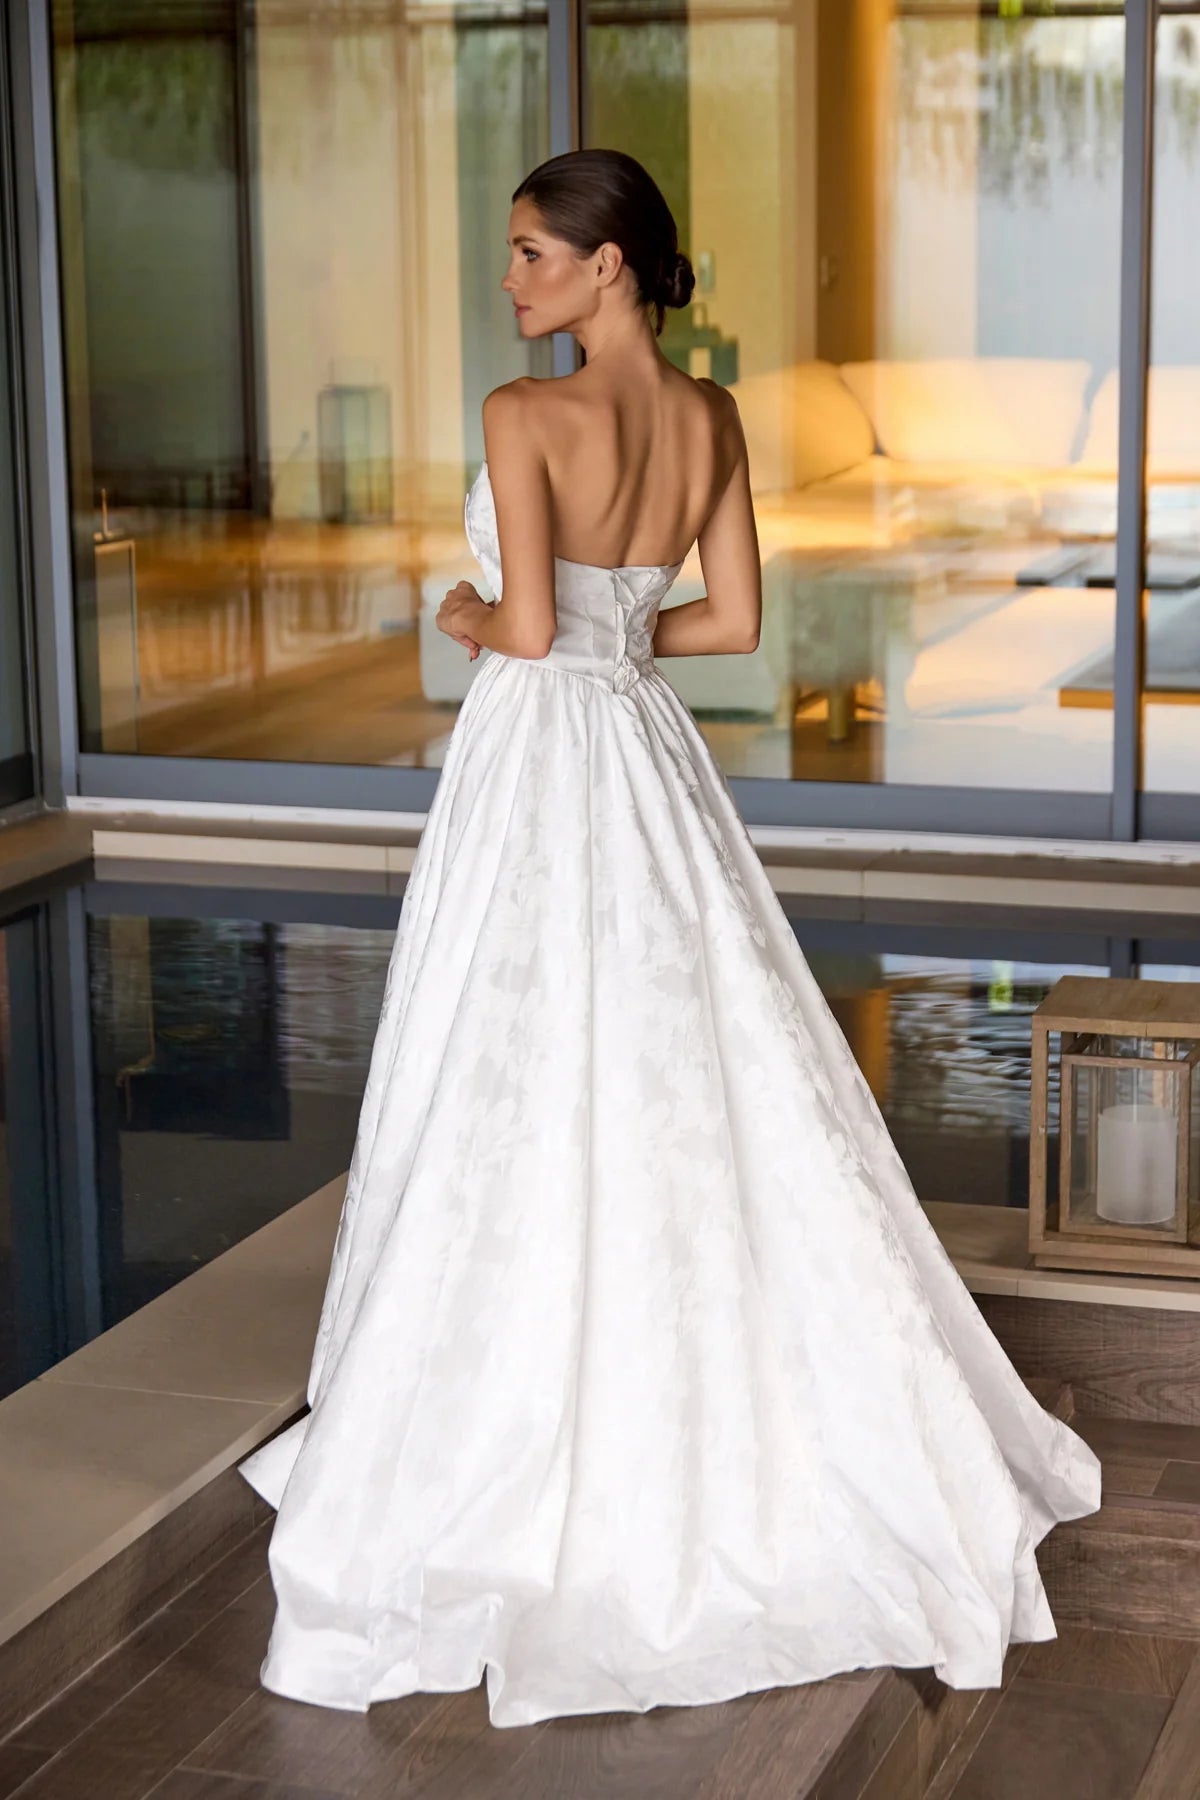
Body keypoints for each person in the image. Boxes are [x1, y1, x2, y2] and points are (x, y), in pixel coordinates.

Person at [238, 146, 1102, 1730]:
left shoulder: (520, 416)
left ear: (606, 264)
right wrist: (607, 618)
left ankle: (515, 1394)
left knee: (506, 1055)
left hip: (536, 755)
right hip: (642, 750)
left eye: (525, 254)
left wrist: (458, 613)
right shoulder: (708, 422)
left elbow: (521, 627)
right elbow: (729, 625)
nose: (508, 281)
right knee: (687, 1051)